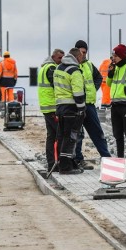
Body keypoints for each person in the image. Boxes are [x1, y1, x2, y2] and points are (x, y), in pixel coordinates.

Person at [73, 40, 111, 170]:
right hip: (75, 105)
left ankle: (107, 159)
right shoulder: (71, 66)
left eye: (85, 52)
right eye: (81, 52)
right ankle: (78, 160)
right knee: (77, 134)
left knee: (97, 132)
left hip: (89, 105)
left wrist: (92, 89)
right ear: (76, 51)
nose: (83, 55)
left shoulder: (89, 65)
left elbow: (99, 77)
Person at [53, 47, 86, 175]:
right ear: (77, 57)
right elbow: (78, 93)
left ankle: (65, 163)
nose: (82, 59)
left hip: (60, 108)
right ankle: (66, 167)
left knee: (62, 136)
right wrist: (82, 109)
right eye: (81, 57)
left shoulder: (59, 68)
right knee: (70, 138)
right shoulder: (74, 71)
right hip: (71, 109)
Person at [37, 48, 64, 171]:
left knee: (51, 136)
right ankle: (57, 164)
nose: (61, 61)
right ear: (53, 57)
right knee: (59, 136)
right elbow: (57, 86)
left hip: (46, 107)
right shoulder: (52, 68)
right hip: (53, 107)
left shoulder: (43, 67)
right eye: (59, 58)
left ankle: (51, 164)